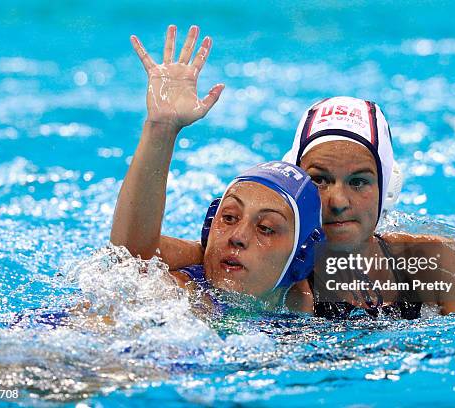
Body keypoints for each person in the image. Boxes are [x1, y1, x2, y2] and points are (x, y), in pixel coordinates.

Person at [109, 25, 323, 311]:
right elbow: (130, 257)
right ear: (209, 227)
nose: (238, 237)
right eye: (230, 217)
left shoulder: (311, 318)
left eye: (266, 228)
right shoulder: (184, 294)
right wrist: (161, 129)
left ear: (301, 258)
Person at [282, 96, 455, 318]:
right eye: (319, 180)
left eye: (358, 182)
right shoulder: (273, 276)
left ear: (386, 189)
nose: (339, 202)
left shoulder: (438, 264)